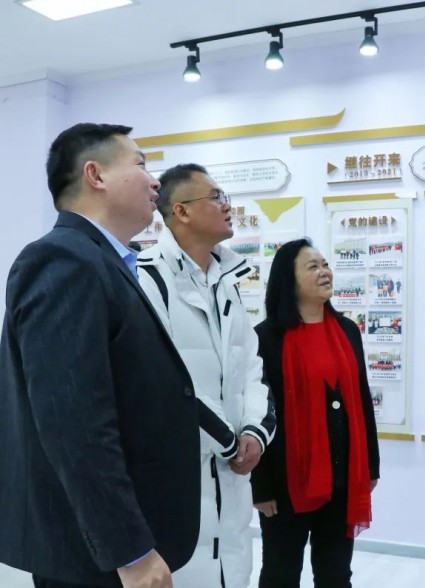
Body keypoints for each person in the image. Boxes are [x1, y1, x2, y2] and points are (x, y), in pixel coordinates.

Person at [0, 123, 201, 587]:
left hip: (113, 541)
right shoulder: (63, 260)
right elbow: (74, 424)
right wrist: (130, 552)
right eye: (141, 164)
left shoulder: (106, 261)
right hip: (92, 554)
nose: (155, 181)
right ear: (95, 175)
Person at [136, 163, 277, 588]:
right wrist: (230, 442)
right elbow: (166, 382)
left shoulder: (227, 281)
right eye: (216, 197)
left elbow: (252, 367)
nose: (228, 206)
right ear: (180, 211)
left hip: (233, 482)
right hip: (181, 476)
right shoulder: (147, 279)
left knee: (232, 570)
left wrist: (254, 433)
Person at [251, 238, 380, 588]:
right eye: (313, 266)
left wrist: (370, 466)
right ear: (289, 280)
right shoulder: (266, 338)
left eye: (325, 264)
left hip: (343, 477)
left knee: (336, 574)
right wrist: (261, 486)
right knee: (280, 574)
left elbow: (362, 401)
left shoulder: (347, 331)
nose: (324, 272)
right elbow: (258, 412)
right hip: (286, 482)